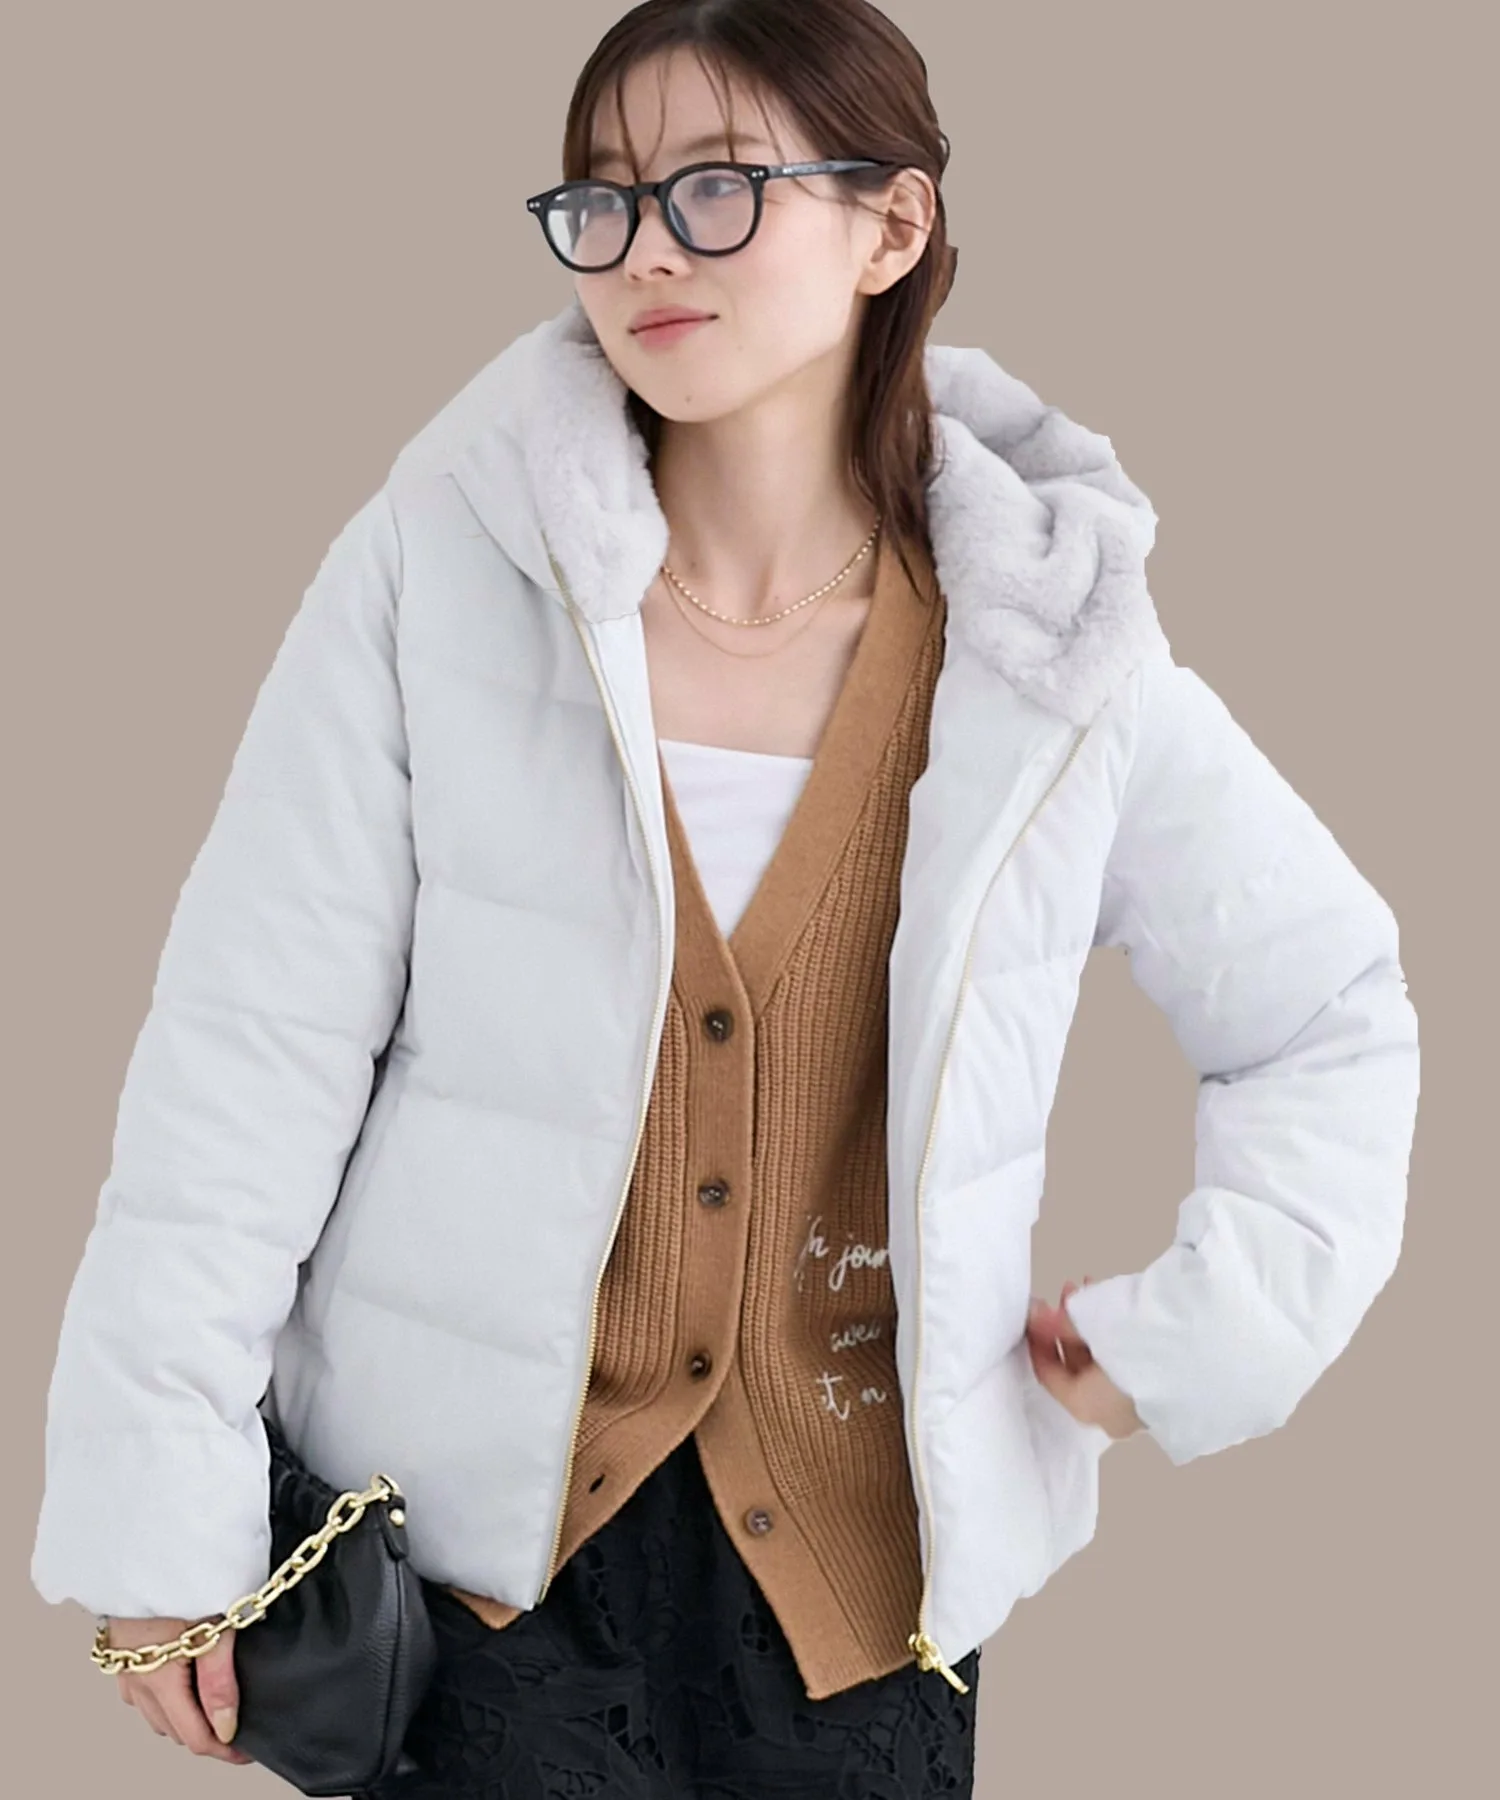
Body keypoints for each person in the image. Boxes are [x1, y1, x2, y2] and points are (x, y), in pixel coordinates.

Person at [30, 2, 1421, 1795]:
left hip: (862, 1604)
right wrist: (163, 1511)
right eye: (602, 197)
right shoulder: (443, 573)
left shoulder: (1045, 652)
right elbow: (246, 1054)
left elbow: (1326, 1011)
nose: (644, 252)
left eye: (717, 188)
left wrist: (1201, 1340)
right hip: (475, 1588)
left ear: (892, 226)